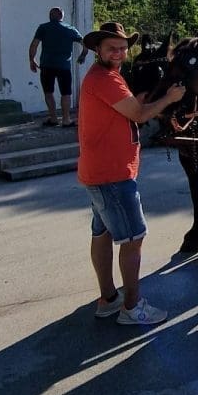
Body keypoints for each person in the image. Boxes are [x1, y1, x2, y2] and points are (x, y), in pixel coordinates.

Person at [78, 21, 186, 326]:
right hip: (112, 176)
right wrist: (170, 98)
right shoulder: (106, 79)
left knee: (102, 233)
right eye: (112, 47)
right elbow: (138, 114)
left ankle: (108, 299)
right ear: (97, 49)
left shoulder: (108, 77)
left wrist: (158, 104)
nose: (119, 52)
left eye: (123, 47)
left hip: (98, 173)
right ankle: (132, 307)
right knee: (134, 239)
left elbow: (132, 108)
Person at [28, 7, 89, 127]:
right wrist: (82, 56)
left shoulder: (43, 28)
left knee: (48, 92)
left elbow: (34, 45)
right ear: (62, 16)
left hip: (46, 65)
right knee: (66, 93)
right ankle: (66, 119)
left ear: (50, 16)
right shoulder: (70, 29)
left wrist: (32, 60)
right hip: (64, 66)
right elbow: (85, 45)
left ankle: (53, 118)